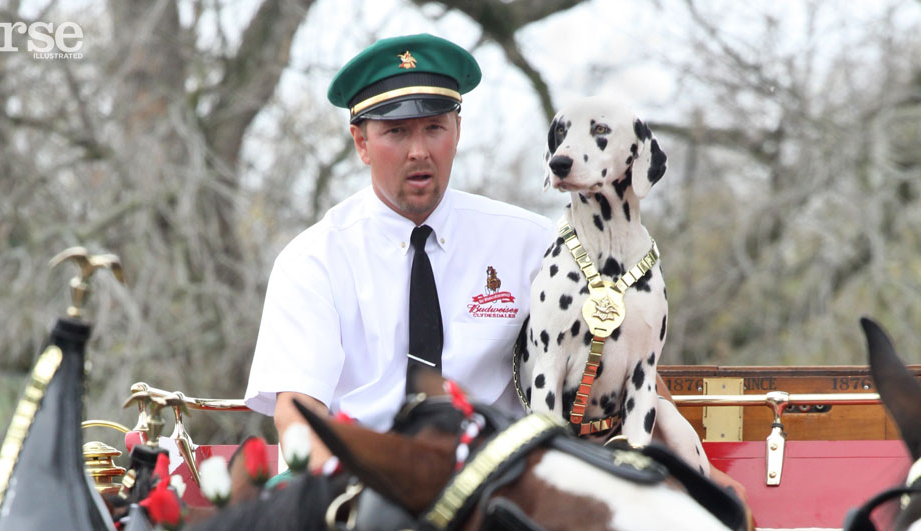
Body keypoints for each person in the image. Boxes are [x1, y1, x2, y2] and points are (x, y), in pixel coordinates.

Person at [243, 33, 749, 505]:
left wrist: (712, 482)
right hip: (370, 479)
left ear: (457, 130)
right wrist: (344, 489)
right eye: (395, 132)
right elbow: (299, 408)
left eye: (434, 128)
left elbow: (628, 348)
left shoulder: (534, 241)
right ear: (361, 142)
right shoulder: (312, 261)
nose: (419, 150)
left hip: (501, 489)